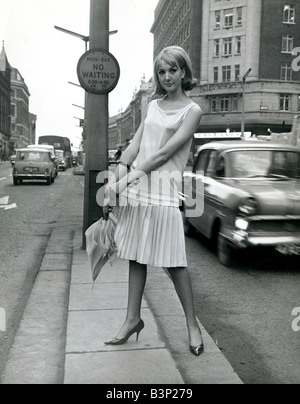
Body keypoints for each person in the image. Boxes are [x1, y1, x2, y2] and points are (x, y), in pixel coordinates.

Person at [103, 46, 204, 356]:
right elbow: (135, 147)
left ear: (184, 72)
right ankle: (132, 319)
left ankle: (192, 325)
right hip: (139, 191)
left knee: (175, 263)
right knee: (136, 257)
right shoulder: (151, 105)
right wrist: (118, 173)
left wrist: (123, 182)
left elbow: (162, 154)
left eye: (173, 70)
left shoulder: (192, 111)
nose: (167, 76)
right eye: (161, 72)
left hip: (164, 192)